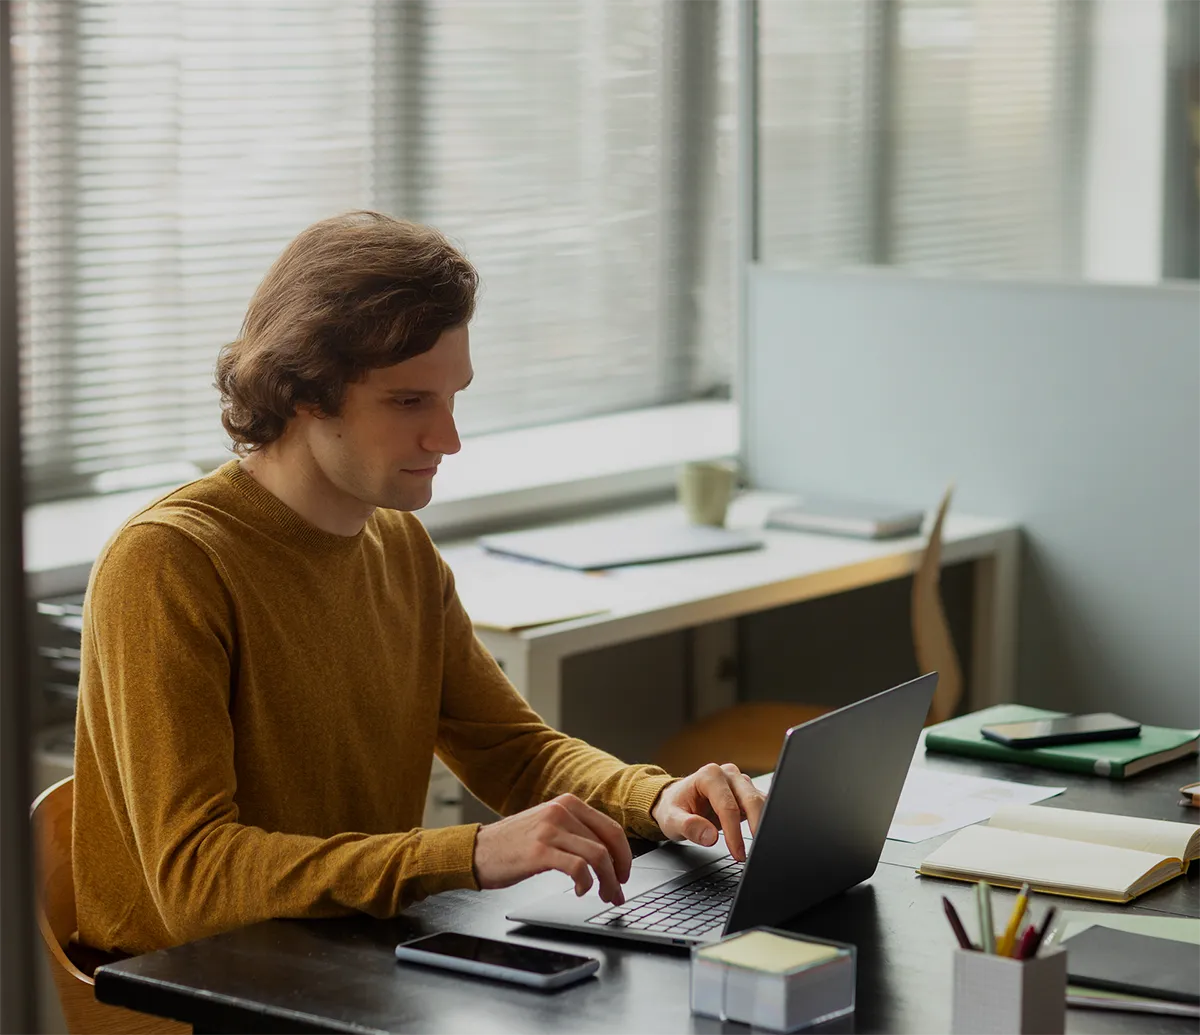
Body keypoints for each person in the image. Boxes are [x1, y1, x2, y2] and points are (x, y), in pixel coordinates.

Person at [73, 211, 766, 956]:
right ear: (304, 389)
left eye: (453, 396)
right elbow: (195, 884)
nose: (448, 438)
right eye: (409, 402)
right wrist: (468, 853)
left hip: (352, 961)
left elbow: (516, 752)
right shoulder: (167, 563)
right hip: (196, 989)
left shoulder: (396, 542)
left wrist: (655, 797)